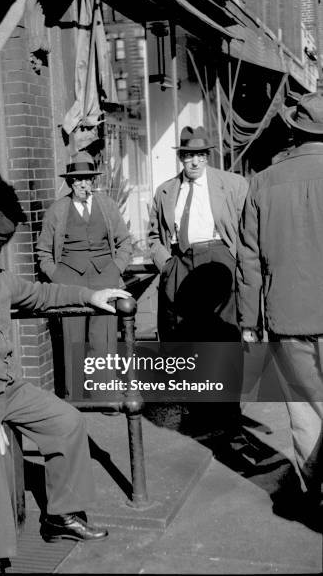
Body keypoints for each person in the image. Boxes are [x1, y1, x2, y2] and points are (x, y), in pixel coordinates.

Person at [0, 205, 131, 567]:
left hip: (1, 385)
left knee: (66, 420)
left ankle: (59, 516)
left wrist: (87, 296)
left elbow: (40, 294)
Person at [236, 91, 323, 517]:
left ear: (294, 129)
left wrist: (249, 323)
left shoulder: (262, 182)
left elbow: (248, 261)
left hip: (286, 318)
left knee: (305, 411)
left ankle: (313, 492)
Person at [148, 126, 248, 433]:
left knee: (224, 338)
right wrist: (166, 263)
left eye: (200, 156)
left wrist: (239, 264)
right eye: (188, 156)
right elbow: (153, 235)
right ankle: (200, 415)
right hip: (182, 262)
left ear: (208, 157)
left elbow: (248, 229)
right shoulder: (166, 190)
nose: (194, 162)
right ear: (181, 158)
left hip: (219, 258)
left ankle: (230, 417)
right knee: (189, 339)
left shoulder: (233, 185)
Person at [36, 151, 132, 397]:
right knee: (73, 338)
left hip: (105, 278)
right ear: (70, 181)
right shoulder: (57, 210)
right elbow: (43, 251)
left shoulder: (107, 206)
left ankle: (105, 395)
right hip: (70, 281)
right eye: (77, 179)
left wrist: (115, 270)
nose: (82, 183)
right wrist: (58, 277)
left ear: (93, 181)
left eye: (87, 178)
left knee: (105, 339)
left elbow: (124, 242)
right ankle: (75, 396)